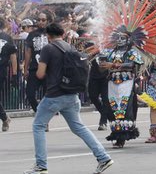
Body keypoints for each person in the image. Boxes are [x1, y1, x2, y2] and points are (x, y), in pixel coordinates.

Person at [25, 22, 113, 174]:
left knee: (38, 126)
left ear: (48, 35)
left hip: (54, 95)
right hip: (72, 95)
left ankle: (41, 165)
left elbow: (40, 74)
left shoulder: (48, 48)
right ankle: (103, 157)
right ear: (63, 34)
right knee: (79, 127)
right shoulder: (69, 47)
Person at [23, 12, 50, 113]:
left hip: (49, 69)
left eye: (43, 20)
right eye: (39, 20)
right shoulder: (32, 34)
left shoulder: (51, 33)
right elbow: (28, 53)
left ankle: (45, 119)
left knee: (47, 96)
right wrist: (25, 69)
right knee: (30, 94)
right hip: (34, 68)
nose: (41, 22)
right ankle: (40, 113)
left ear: (47, 21)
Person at [0, 16, 18, 131]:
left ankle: (5, 118)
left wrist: (15, 74)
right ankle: (5, 117)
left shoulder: (7, 38)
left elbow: (13, 56)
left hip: (1, 70)